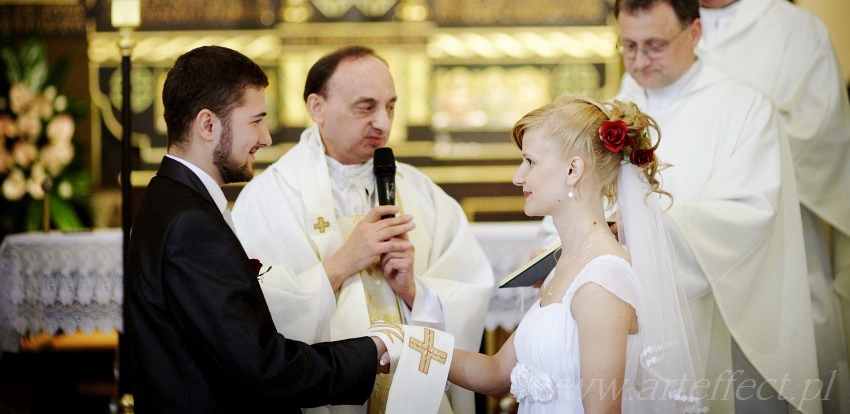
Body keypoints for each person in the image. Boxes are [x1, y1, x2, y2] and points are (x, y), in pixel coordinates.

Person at [125, 45, 392, 413]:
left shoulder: (169, 198)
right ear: (207, 125)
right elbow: (263, 368)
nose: (265, 138)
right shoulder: (190, 223)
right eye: (255, 120)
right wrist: (370, 351)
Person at [232, 45, 494, 414]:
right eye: (366, 107)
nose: (384, 123)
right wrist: (341, 264)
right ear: (316, 108)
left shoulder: (421, 192)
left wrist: (415, 292)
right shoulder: (268, 199)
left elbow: (470, 291)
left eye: (390, 106)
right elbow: (255, 318)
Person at [664, 0, 850, 410]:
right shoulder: (667, 36)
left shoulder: (796, 31)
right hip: (692, 242)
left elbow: (819, 133)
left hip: (776, 231)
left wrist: (731, 161)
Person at [614, 0, 821, 413]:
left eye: (654, 45)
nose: (639, 62)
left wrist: (648, 230)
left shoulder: (744, 107)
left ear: (695, 32)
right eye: (628, 46)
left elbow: (750, 213)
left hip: (719, 316)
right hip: (635, 312)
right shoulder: (620, 108)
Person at [447, 95, 704, 412]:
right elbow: (497, 373)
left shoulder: (602, 280)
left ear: (572, 170)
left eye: (530, 161)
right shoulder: (564, 265)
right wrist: (407, 346)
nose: (518, 176)